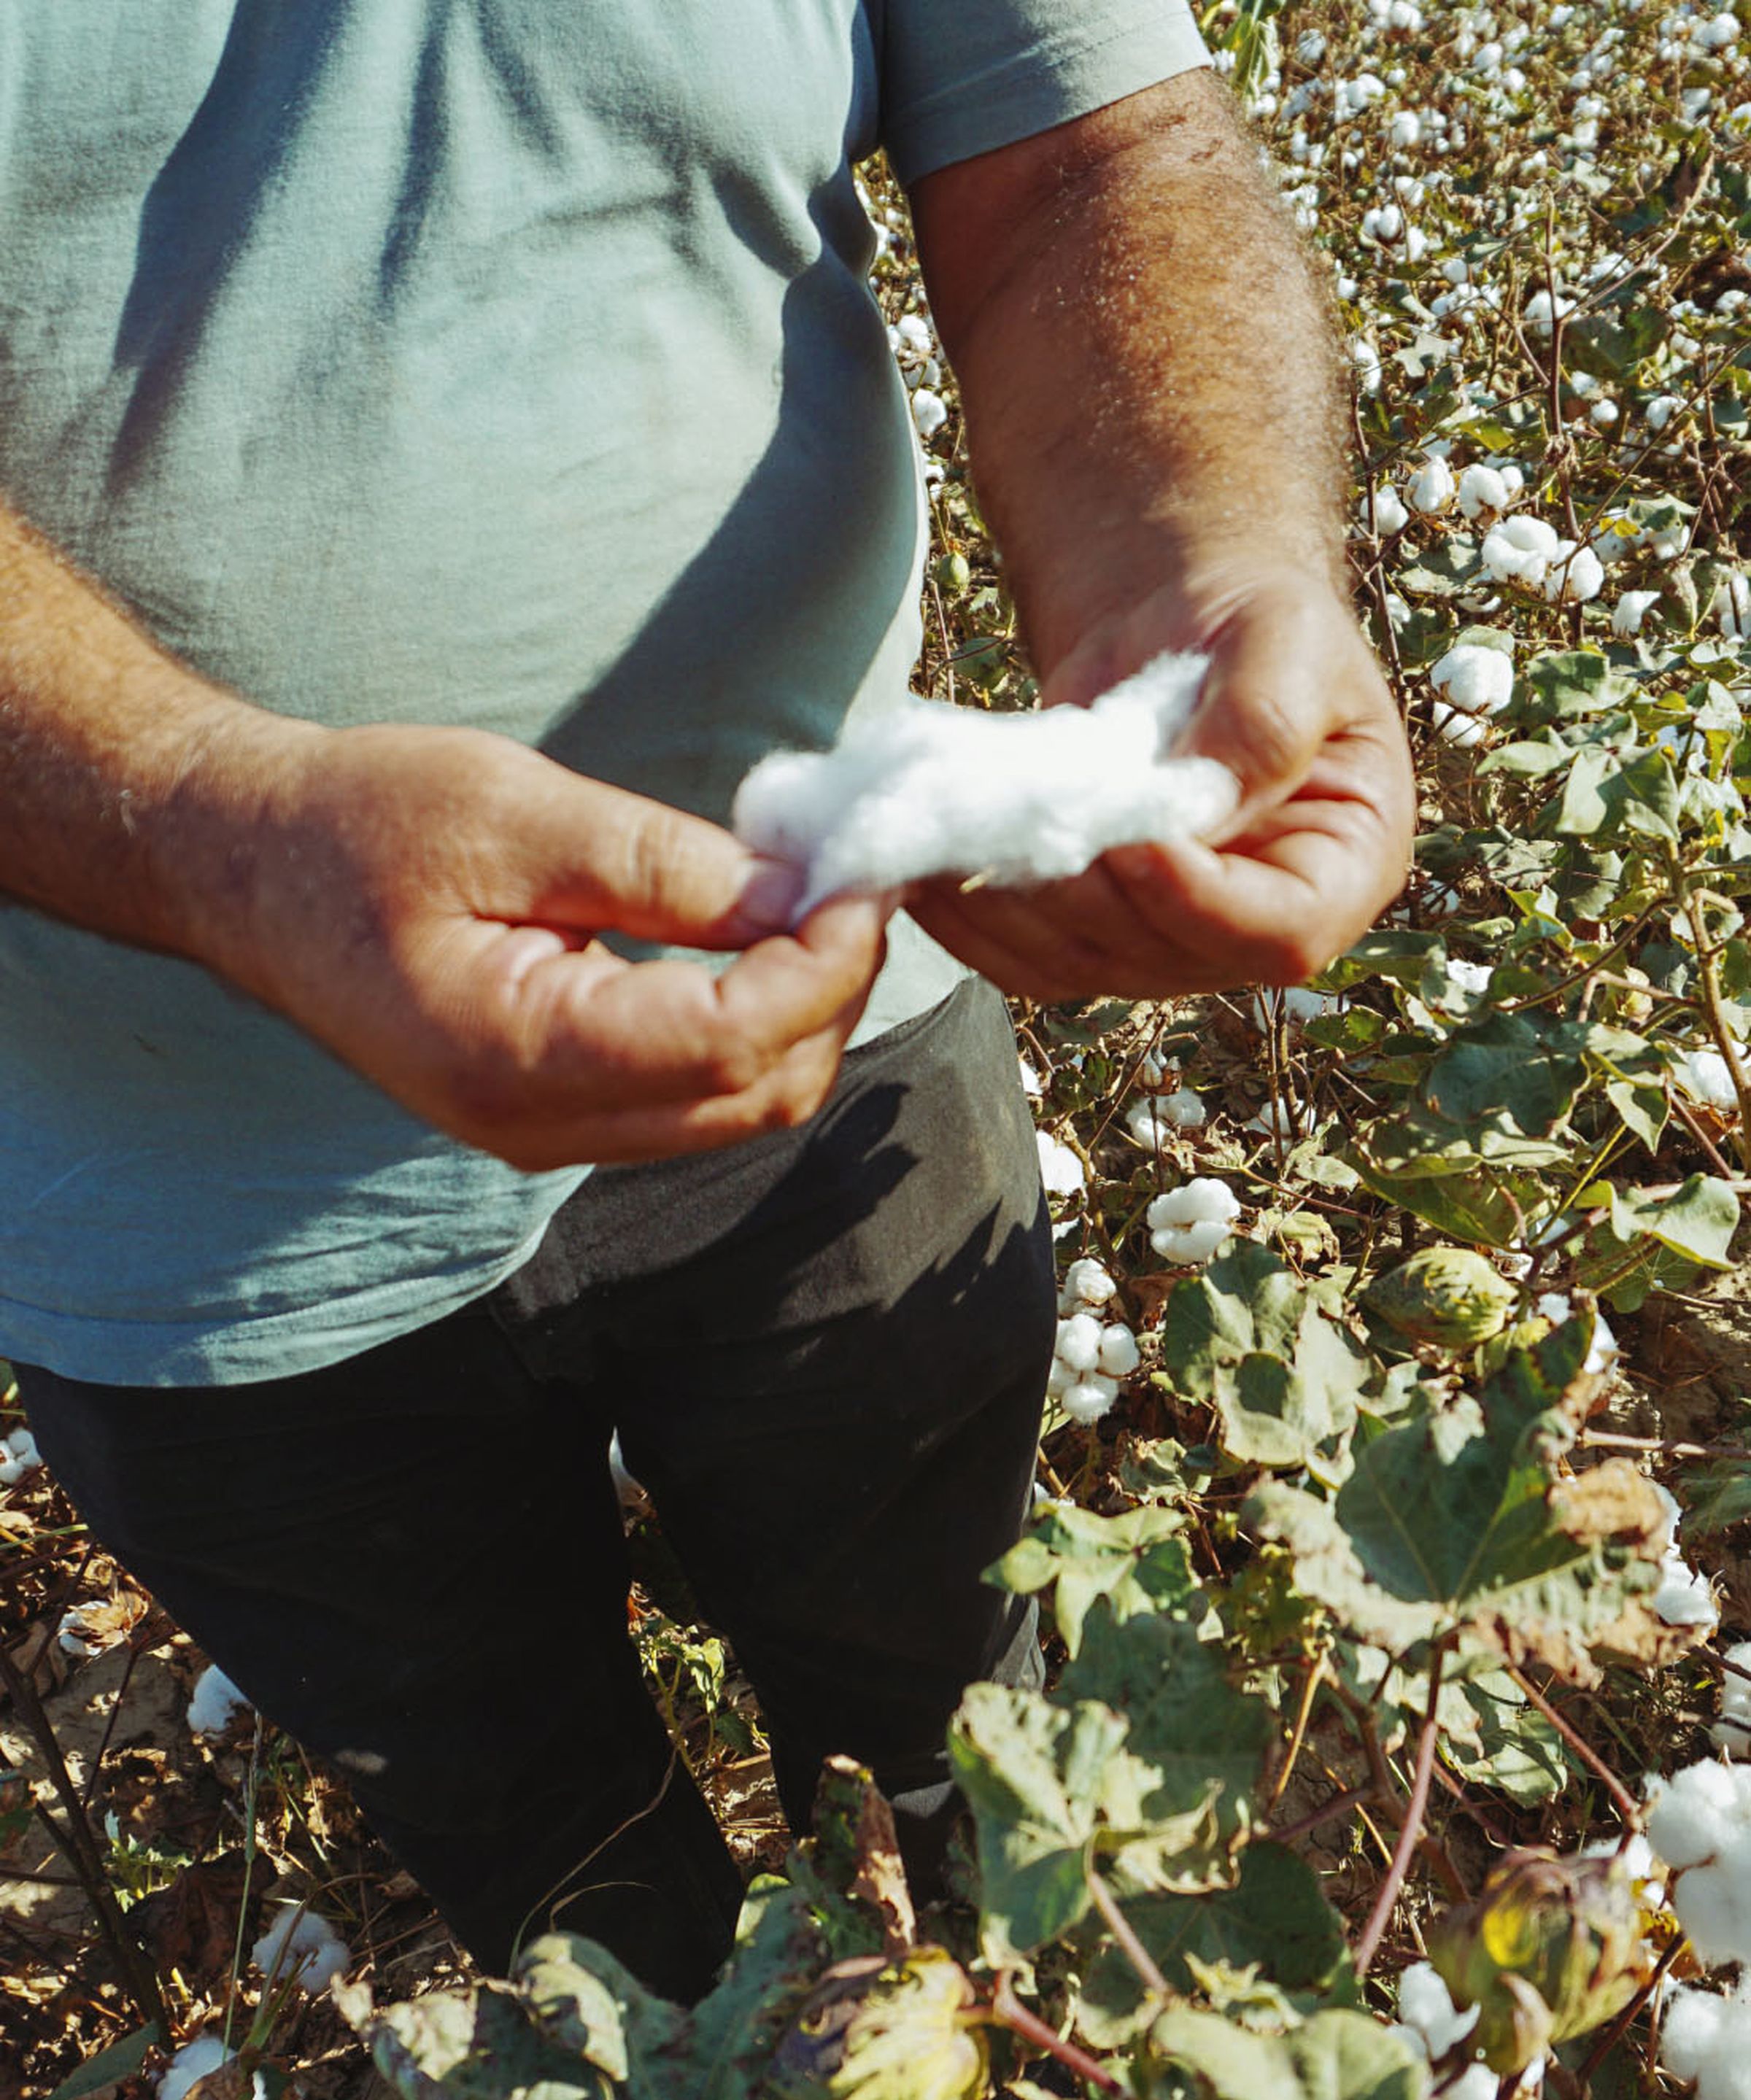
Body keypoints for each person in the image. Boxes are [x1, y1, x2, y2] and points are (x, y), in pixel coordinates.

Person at [0, 1, 1415, 2002]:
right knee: (571, 1892)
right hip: (180, 1208)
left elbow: (1090, 151)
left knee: (981, 1755)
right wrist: (191, 822)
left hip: (855, 1059)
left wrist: (1199, 566)